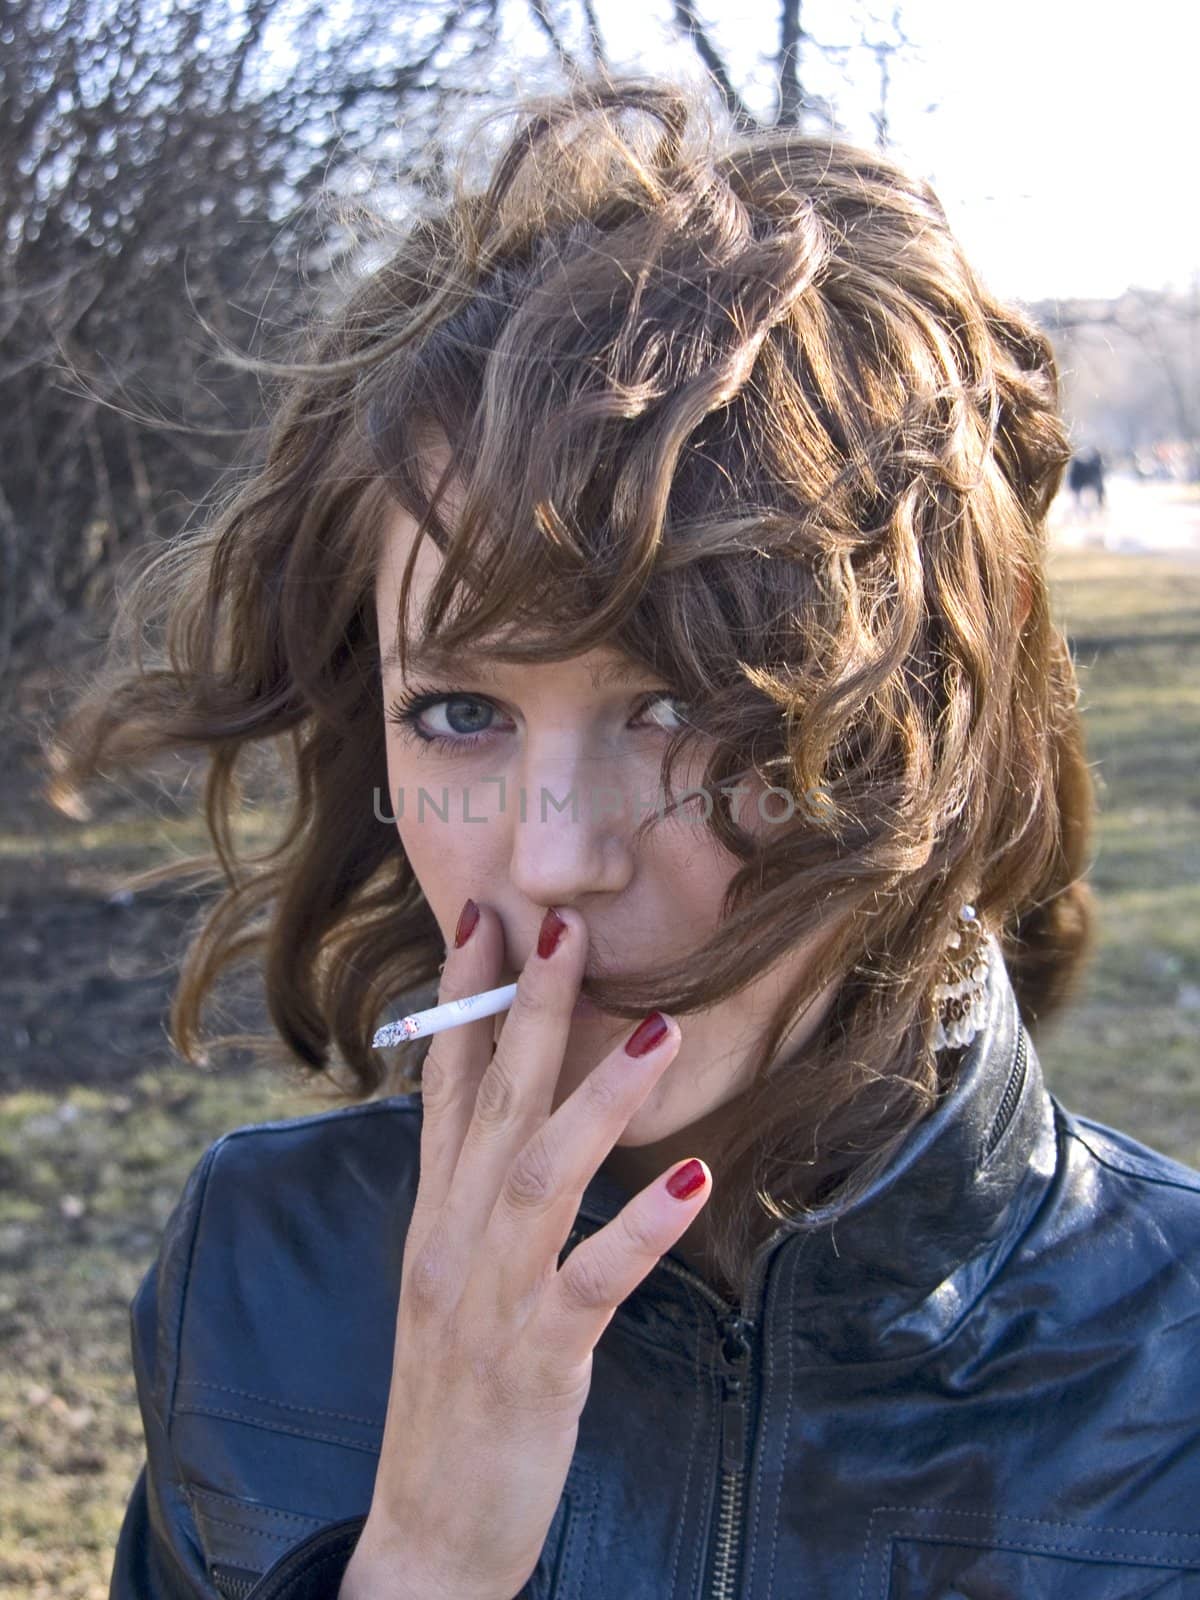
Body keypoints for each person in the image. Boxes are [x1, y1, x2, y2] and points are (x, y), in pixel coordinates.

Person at [44, 76, 1200, 1600]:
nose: (555, 858)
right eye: (460, 710)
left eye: (686, 706)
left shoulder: (1167, 1370)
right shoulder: (259, 1279)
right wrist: (423, 1559)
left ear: (927, 726)